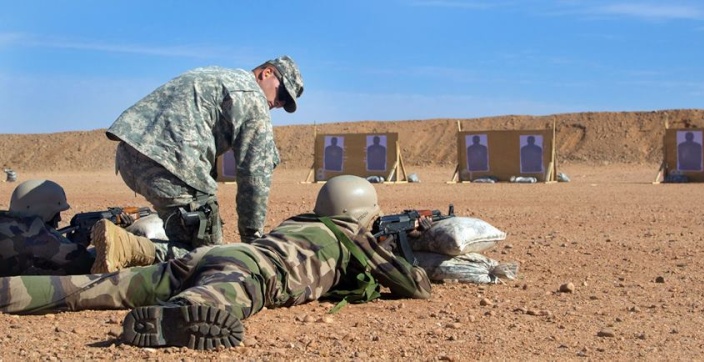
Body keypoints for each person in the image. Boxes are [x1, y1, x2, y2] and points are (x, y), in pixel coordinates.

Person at [0, 175, 432, 351]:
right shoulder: (352, 237)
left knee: (93, 288)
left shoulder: (301, 222)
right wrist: (391, 244)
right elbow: (415, 286)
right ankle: (179, 316)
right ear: (362, 214)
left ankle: (11, 292)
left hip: (213, 255)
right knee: (221, 298)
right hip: (250, 272)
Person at [104, 55, 304, 255]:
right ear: (266, 73)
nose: (278, 103)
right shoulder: (254, 98)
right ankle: (127, 250)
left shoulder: (213, 73)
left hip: (128, 154)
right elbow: (254, 176)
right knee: (206, 257)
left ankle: (90, 255)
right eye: (282, 93)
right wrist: (252, 242)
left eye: (284, 103)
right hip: (172, 168)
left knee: (183, 233)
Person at [0, 179, 196, 276]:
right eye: (56, 214)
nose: (59, 219)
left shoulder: (7, 221)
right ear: (43, 210)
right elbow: (81, 263)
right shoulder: (38, 237)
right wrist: (81, 240)